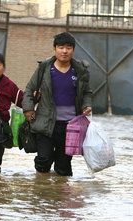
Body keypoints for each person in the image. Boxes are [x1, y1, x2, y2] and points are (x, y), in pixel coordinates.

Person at [22, 32, 92, 176]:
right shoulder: (45, 68)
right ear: (54, 49)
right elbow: (29, 89)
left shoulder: (80, 70)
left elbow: (87, 92)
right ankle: (41, 193)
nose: (64, 51)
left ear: (73, 50)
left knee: (64, 166)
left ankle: (59, 195)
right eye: (61, 47)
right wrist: (28, 109)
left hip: (70, 126)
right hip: (46, 123)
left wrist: (87, 104)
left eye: (68, 47)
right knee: (43, 161)